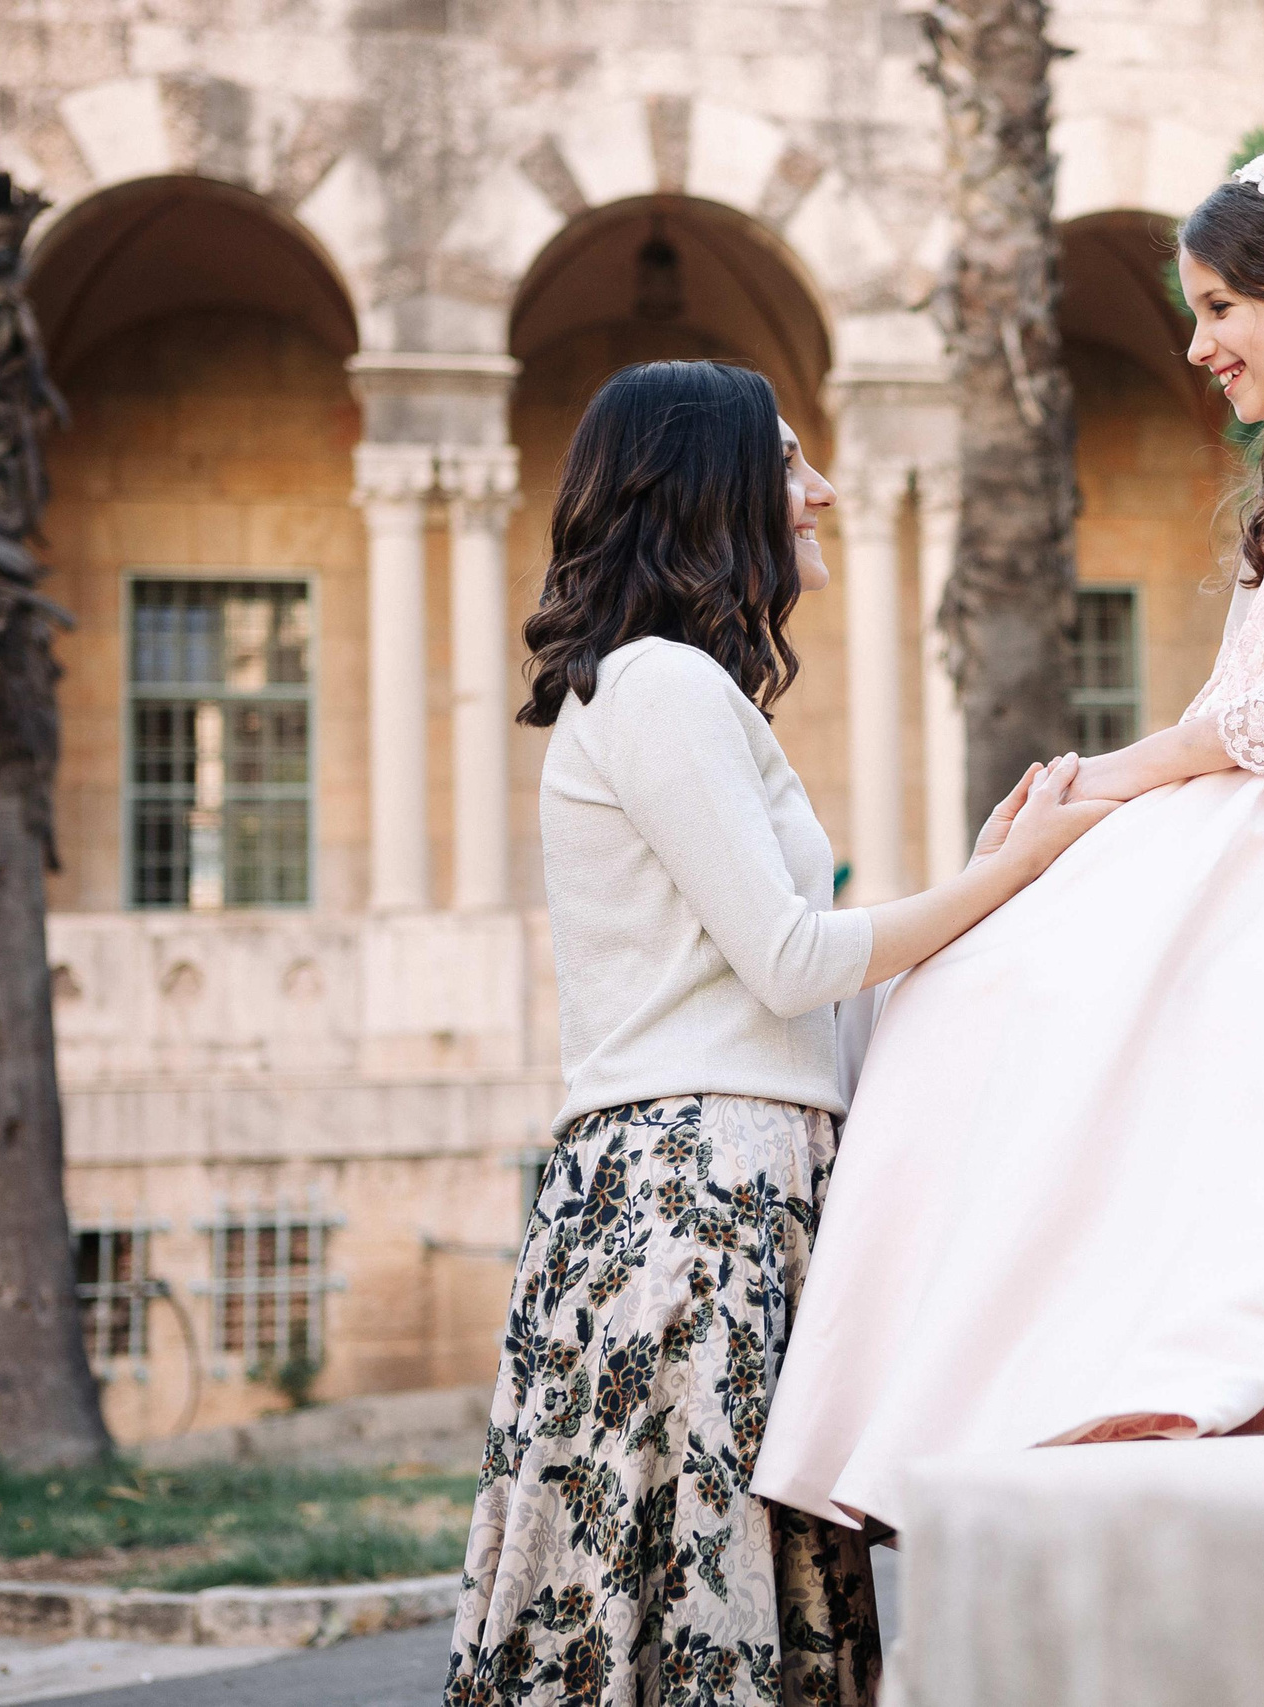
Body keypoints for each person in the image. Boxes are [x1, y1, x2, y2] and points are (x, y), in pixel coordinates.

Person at [753, 149, 1264, 1531]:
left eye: (1222, 308)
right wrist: (1090, 807)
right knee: (963, 978)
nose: (1198, 345)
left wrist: (1125, 774)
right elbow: (1245, 699)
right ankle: (963, 1377)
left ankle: (1134, 1357)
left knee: (1036, 977)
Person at [441, 360, 1114, 1707]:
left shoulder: (681, 692)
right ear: (710, 487)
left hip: (721, 1189)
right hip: (688, 1203)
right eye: (790, 460)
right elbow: (794, 961)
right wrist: (1009, 876)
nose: (823, 488)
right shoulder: (661, 688)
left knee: (711, 1603)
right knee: (700, 1615)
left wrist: (980, 884)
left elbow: (793, 992)